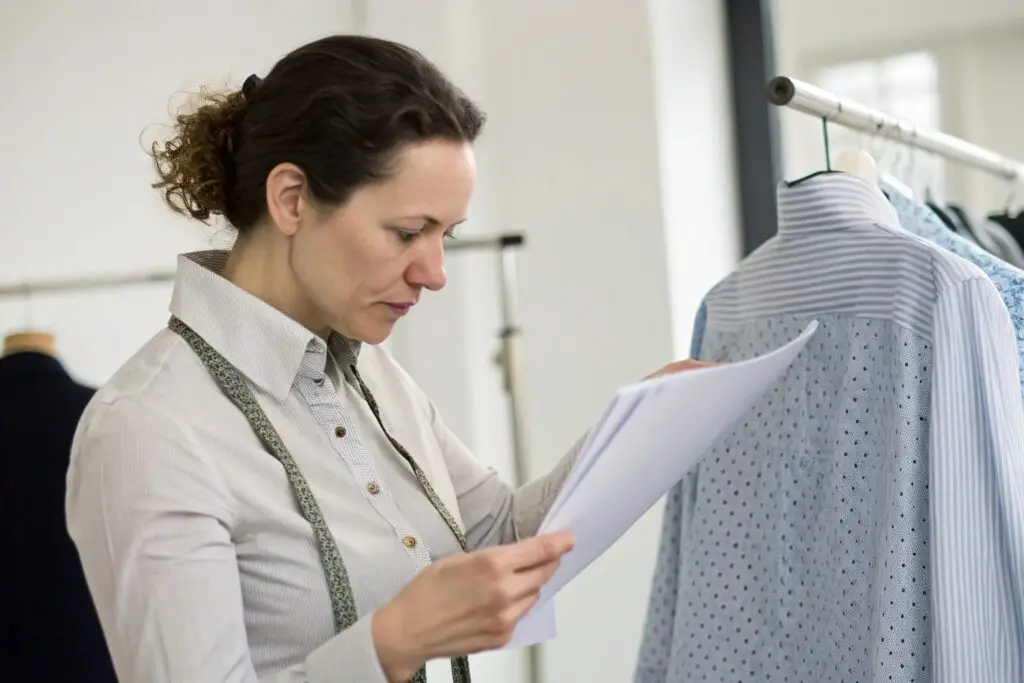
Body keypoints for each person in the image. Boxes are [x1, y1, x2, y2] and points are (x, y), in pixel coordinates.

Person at [65, 34, 704, 683]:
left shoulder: (369, 372)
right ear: (291, 199)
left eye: (445, 236)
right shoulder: (149, 428)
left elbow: (500, 536)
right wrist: (390, 643)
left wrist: (643, 429)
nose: (435, 273)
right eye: (408, 233)